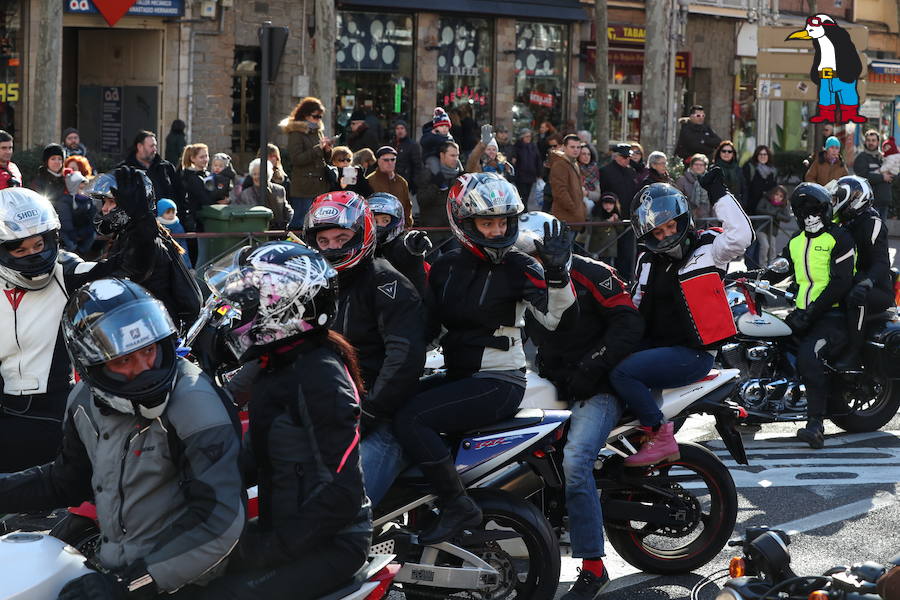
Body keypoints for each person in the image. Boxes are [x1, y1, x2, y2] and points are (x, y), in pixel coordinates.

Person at [0, 277, 245, 598]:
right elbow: (68, 481)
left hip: (193, 577)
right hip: (120, 565)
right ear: (93, 365)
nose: (145, 368)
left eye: (149, 350)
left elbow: (220, 519)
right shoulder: (83, 401)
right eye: (124, 359)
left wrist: (126, 582)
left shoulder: (196, 400)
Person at [390, 173, 575, 544]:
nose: (496, 230)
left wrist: (557, 273)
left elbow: (556, 320)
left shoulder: (521, 265)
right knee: (391, 403)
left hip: (498, 381)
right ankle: (421, 507)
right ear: (463, 222)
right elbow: (424, 326)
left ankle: (456, 505)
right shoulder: (445, 265)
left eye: (502, 221)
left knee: (411, 418)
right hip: (459, 374)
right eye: (486, 222)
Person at [205, 242, 372, 600]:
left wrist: (265, 549)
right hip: (286, 528)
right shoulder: (277, 364)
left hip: (332, 544)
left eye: (249, 303)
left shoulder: (320, 377)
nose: (237, 313)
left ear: (282, 307)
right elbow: (256, 457)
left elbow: (341, 494)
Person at [516, 211, 644, 600]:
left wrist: (593, 364)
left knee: (575, 462)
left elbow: (629, 324)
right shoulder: (525, 279)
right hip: (554, 383)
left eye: (535, 256)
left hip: (599, 386)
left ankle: (592, 566)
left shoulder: (593, 272)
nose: (531, 264)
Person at [611, 169, 753, 465]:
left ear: (682, 219)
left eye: (670, 226)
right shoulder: (647, 260)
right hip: (654, 348)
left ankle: (661, 436)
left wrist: (717, 191)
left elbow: (742, 235)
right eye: (657, 232)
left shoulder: (709, 248)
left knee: (623, 373)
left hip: (693, 354)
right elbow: (632, 305)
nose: (665, 235)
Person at [302, 191, 426, 496]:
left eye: (342, 238)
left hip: (379, 418)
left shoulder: (386, 283)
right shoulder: (317, 285)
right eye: (324, 241)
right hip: (329, 410)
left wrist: (368, 413)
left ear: (362, 233)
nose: (333, 247)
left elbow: (404, 358)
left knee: (343, 503)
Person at [763, 183, 855, 448]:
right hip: (803, 314)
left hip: (832, 317)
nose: (810, 216)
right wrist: (747, 278)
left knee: (809, 355)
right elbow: (777, 271)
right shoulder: (796, 242)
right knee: (769, 344)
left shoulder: (840, 238)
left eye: (815, 209)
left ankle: (815, 424)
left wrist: (813, 311)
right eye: (803, 210)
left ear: (826, 210)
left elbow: (840, 283)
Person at [91, 167, 202, 331]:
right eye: (104, 202)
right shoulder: (126, 235)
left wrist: (141, 216)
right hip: (141, 325)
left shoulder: (146, 239)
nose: (105, 209)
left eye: (112, 202)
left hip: (154, 331)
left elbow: (128, 271)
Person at [829, 175, 894, 370]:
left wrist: (867, 283)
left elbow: (882, 262)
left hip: (876, 288)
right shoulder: (846, 220)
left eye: (839, 198)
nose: (836, 202)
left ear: (855, 199)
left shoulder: (871, 222)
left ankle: (853, 351)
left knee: (855, 297)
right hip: (853, 278)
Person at [368, 191, 431, 298]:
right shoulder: (359, 250)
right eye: (374, 221)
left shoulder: (401, 248)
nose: (379, 226)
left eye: (385, 220)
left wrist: (413, 253)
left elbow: (404, 252)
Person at [283, 96, 333, 229]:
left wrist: (327, 150)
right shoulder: (296, 133)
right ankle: (294, 246)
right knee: (300, 223)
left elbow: (324, 158)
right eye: (315, 116)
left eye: (320, 117)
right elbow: (296, 159)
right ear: (305, 115)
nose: (318, 119)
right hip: (304, 188)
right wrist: (318, 149)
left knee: (317, 223)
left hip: (320, 186)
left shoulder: (317, 131)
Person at [119, 130, 182, 214]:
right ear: (140, 147)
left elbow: (179, 193)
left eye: (155, 146)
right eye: (151, 146)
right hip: (140, 223)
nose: (155, 149)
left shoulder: (166, 167)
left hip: (168, 220)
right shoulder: (124, 170)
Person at [599, 143, 638, 278]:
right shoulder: (605, 171)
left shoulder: (632, 172)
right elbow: (603, 195)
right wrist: (609, 213)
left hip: (628, 219)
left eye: (628, 157)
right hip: (612, 219)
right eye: (623, 157)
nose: (626, 160)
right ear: (616, 156)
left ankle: (626, 279)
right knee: (608, 253)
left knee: (627, 253)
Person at [416, 141, 464, 230]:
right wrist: (436, 185)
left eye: (457, 155)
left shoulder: (459, 175)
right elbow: (422, 200)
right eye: (452, 155)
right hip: (433, 230)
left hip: (453, 230)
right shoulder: (428, 173)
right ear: (442, 155)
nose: (456, 159)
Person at [236, 158, 293, 230]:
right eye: (254, 174)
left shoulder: (279, 190)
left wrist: (288, 222)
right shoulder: (246, 194)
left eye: (260, 174)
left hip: (277, 232)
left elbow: (287, 210)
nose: (257, 177)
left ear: (268, 174)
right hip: (256, 232)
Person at [853, 129, 894, 221]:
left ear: (878, 142)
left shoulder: (883, 157)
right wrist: (882, 177)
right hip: (870, 202)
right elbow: (862, 177)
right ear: (865, 142)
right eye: (868, 140)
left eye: (873, 140)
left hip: (884, 201)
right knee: (871, 231)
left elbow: (893, 175)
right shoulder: (861, 158)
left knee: (882, 231)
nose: (871, 143)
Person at [367, 146, 413, 226]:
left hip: (399, 228)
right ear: (378, 161)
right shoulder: (369, 181)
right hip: (377, 227)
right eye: (386, 160)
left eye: (393, 159)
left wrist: (408, 225)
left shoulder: (402, 182)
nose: (390, 162)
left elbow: (407, 206)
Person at [549, 134, 587, 230]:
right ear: (564, 147)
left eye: (578, 147)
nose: (576, 150)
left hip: (574, 219)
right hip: (565, 219)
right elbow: (560, 192)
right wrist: (574, 209)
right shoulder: (560, 164)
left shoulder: (573, 162)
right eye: (572, 147)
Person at [56, 168, 96, 256]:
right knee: (67, 240)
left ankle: (82, 252)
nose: (83, 189)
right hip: (69, 232)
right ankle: (73, 253)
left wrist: (87, 231)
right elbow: (65, 222)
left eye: (84, 186)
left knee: (92, 234)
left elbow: (93, 217)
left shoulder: (88, 200)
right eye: (80, 186)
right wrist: (75, 235)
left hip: (84, 230)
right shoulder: (65, 201)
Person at [179, 142, 215, 229]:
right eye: (201, 157)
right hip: (196, 221)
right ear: (193, 158)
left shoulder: (207, 174)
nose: (205, 159)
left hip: (206, 217)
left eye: (206, 156)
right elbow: (204, 199)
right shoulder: (191, 178)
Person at [755, 185, 792, 265]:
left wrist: (777, 215)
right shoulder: (765, 199)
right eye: (776, 194)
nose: (778, 197)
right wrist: (773, 214)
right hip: (761, 228)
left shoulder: (783, 206)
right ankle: (762, 266)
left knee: (772, 248)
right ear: (772, 194)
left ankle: (772, 266)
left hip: (772, 230)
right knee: (765, 246)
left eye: (781, 196)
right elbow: (759, 209)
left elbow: (787, 218)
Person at [742, 145, 778, 216]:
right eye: (760, 154)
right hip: (750, 208)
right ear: (756, 155)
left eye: (765, 154)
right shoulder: (749, 167)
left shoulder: (773, 171)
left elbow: (774, 189)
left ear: (768, 156)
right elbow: (744, 187)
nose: (763, 156)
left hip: (766, 209)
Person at [588, 192, 623, 263]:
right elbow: (595, 229)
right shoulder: (596, 216)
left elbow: (621, 230)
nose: (608, 206)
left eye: (611, 204)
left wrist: (617, 221)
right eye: (605, 203)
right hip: (597, 250)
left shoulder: (615, 216)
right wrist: (607, 222)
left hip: (610, 250)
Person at [156, 198, 191, 268]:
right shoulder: (157, 225)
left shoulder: (178, 226)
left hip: (177, 257)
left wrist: (187, 266)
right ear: (160, 212)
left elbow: (183, 247)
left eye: (173, 212)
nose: (171, 215)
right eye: (168, 212)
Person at [512, 128, 543, 209]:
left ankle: (525, 210)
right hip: (521, 175)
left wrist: (539, 173)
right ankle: (524, 210)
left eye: (529, 136)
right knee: (522, 195)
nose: (528, 138)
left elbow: (538, 160)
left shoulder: (533, 146)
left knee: (528, 195)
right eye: (526, 136)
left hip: (531, 175)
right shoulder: (517, 146)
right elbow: (514, 160)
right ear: (522, 137)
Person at [675, 153, 711, 219]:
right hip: (688, 218)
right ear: (691, 166)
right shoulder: (682, 180)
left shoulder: (710, 181)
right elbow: (678, 201)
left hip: (706, 219)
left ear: (705, 167)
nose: (698, 167)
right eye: (696, 164)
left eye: (701, 165)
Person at [392, 120, 422, 196]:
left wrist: (415, 183)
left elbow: (417, 165)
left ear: (406, 130)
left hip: (405, 181)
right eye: (397, 128)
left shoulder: (412, 145)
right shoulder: (393, 144)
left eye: (402, 128)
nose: (400, 131)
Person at [421, 107, 455, 175]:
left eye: (446, 126)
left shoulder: (449, 137)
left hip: (445, 156)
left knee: (456, 160)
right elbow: (423, 142)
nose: (444, 128)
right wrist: (433, 136)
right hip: (432, 156)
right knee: (434, 163)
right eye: (442, 126)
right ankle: (440, 180)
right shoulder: (430, 134)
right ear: (436, 127)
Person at [713, 140, 747, 208]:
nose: (726, 153)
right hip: (719, 206)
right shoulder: (713, 169)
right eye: (724, 151)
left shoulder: (738, 169)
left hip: (736, 205)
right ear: (719, 153)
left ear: (733, 154)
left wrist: (743, 204)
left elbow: (744, 189)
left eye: (729, 151)